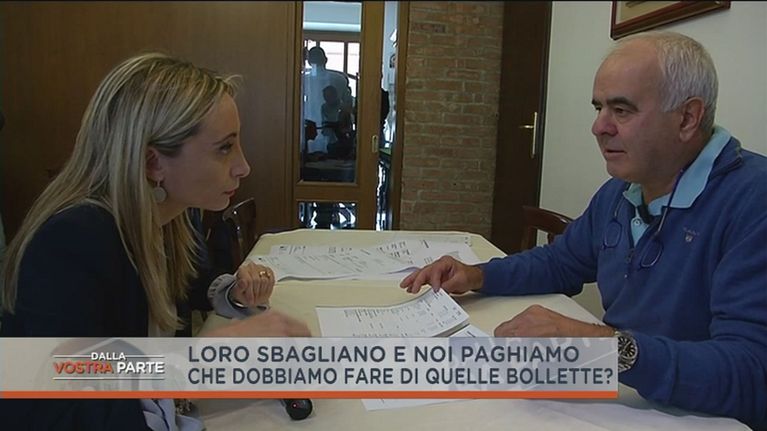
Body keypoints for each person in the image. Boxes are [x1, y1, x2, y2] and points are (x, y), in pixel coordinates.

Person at [400, 31, 767, 429]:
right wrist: (477, 275)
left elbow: (751, 374)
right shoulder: (621, 191)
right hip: (627, 397)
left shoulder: (753, 200)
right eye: (598, 108)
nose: (599, 127)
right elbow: (561, 262)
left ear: (687, 118)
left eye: (621, 110)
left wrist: (609, 347)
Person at [0, 52, 311, 430]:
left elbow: (192, 281)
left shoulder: (170, 218)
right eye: (224, 148)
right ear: (153, 163)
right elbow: (64, 400)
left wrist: (232, 293)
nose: (243, 167)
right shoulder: (72, 241)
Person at [303, 46, 353, 153]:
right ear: (326, 60)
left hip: (315, 129)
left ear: (308, 62)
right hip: (331, 131)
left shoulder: (304, 80)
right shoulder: (340, 79)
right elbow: (348, 105)